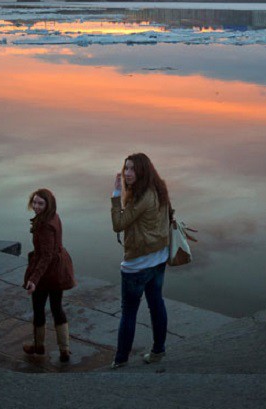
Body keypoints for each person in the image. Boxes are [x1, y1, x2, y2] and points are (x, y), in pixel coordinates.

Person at [109, 152, 171, 368]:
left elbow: (118, 223)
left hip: (138, 266)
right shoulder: (158, 189)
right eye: (126, 168)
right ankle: (158, 351)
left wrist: (117, 194)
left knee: (129, 312)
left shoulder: (142, 196)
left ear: (143, 171)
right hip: (159, 258)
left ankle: (121, 360)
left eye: (132, 169)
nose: (127, 173)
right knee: (156, 304)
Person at [22, 188, 76, 362]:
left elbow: (45, 256)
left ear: (48, 204)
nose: (36, 206)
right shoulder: (54, 216)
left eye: (40, 203)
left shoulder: (45, 225)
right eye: (34, 202)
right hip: (59, 269)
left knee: (39, 309)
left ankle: (39, 346)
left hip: (47, 272)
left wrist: (34, 280)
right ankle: (65, 350)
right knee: (56, 307)